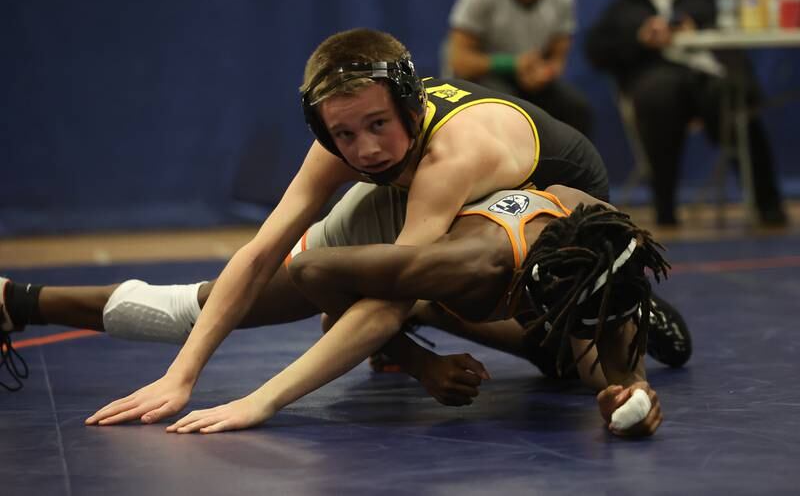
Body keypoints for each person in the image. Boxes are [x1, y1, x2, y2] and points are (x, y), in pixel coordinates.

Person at [1, 184, 690, 437]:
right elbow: (317, 278)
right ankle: (15, 299)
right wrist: (419, 365)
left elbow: (616, 381)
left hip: (512, 235)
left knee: (590, 368)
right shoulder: (466, 262)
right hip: (385, 233)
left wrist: (627, 395)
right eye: (578, 316)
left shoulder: (607, 239)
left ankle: (612, 328)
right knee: (194, 309)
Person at [584, 0, 786, 227]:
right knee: (660, 97)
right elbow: (596, 50)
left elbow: (727, 29)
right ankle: (665, 209)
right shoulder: (626, 5)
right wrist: (640, 39)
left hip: (706, 78)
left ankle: (767, 204)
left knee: (730, 99)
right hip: (657, 81)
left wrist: (691, 27)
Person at [446, 0, 593, 136]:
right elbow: (459, 61)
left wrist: (545, 73)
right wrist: (512, 64)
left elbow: (557, 59)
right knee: (510, 111)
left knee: (576, 110)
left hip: (531, 81)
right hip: (483, 79)